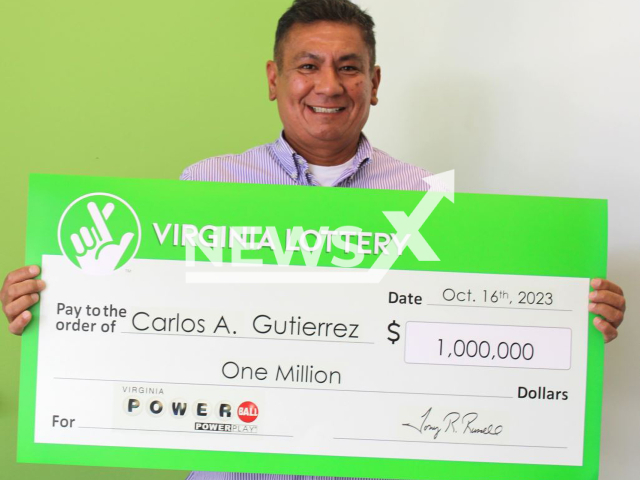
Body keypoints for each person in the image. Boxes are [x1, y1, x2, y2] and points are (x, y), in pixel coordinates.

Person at [0, 1, 627, 479]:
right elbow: (147, 325)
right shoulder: (204, 187)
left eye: (348, 67)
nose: (329, 85)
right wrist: (53, 307)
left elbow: (462, 341)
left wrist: (570, 319)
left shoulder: (426, 203)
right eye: (308, 66)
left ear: (374, 83)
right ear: (274, 79)